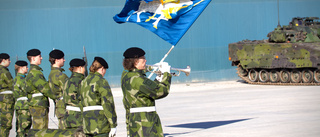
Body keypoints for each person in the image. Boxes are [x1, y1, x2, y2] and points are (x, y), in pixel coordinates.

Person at [121, 47, 172, 137]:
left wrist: (158, 77)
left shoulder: (126, 76)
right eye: (143, 59)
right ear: (136, 62)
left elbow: (148, 89)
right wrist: (166, 75)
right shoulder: (138, 79)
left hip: (134, 122)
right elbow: (161, 91)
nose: (145, 60)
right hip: (146, 124)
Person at [80, 57, 117, 137]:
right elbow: (108, 104)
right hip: (100, 126)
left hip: (87, 126)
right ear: (102, 68)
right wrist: (113, 124)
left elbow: (81, 103)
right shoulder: (101, 81)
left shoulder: (84, 82)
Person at [25, 49, 57, 129]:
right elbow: (45, 88)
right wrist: (56, 97)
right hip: (39, 106)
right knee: (41, 130)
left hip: (37, 105)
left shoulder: (34, 72)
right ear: (33, 58)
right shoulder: (35, 73)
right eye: (39, 56)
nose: (41, 58)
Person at [63, 58, 86, 130]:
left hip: (68, 116)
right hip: (78, 117)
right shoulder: (81, 81)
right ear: (80, 68)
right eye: (84, 67)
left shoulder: (67, 81)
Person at [48, 49, 68, 129]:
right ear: (57, 60)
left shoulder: (51, 74)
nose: (64, 60)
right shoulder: (60, 76)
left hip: (58, 106)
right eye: (62, 58)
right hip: (64, 106)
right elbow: (68, 91)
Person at [13, 60, 32, 137]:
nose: (27, 68)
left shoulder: (16, 79)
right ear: (21, 68)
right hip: (24, 106)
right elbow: (27, 90)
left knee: (19, 128)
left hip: (19, 105)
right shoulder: (22, 79)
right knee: (25, 127)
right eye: (26, 67)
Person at [0, 53, 14, 137]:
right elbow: (12, 85)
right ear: (4, 60)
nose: (10, 61)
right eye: (8, 60)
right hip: (6, 101)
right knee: (6, 124)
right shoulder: (5, 72)